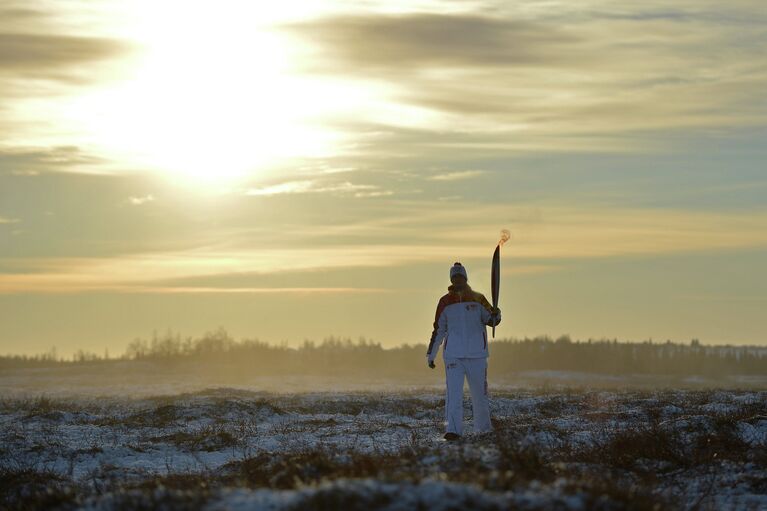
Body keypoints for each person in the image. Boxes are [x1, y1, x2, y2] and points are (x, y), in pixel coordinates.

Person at [427, 262, 501, 441]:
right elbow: (438, 330)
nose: (458, 280)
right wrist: (431, 354)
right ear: (451, 279)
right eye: (455, 277)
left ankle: (483, 430)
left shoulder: (478, 298)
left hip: (477, 355)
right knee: (454, 395)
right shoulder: (444, 302)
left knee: (480, 395)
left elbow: (491, 319)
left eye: (460, 277)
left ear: (465, 278)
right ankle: (453, 430)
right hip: (453, 356)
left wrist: (496, 315)